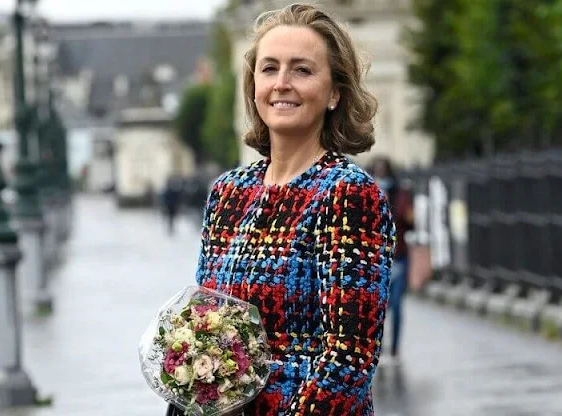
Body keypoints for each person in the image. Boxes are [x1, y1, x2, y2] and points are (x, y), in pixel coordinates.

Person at [172, 4, 396, 416]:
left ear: (334, 93)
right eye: (269, 68)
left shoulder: (349, 194)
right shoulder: (226, 193)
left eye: (302, 70)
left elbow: (348, 364)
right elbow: (207, 325)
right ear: (253, 85)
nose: (282, 83)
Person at [370, 157, 414, 363]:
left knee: (396, 304)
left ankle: (395, 347)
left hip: (398, 255)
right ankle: (378, 347)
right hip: (376, 259)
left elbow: (410, 221)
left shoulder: (401, 194)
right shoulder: (367, 191)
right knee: (378, 307)